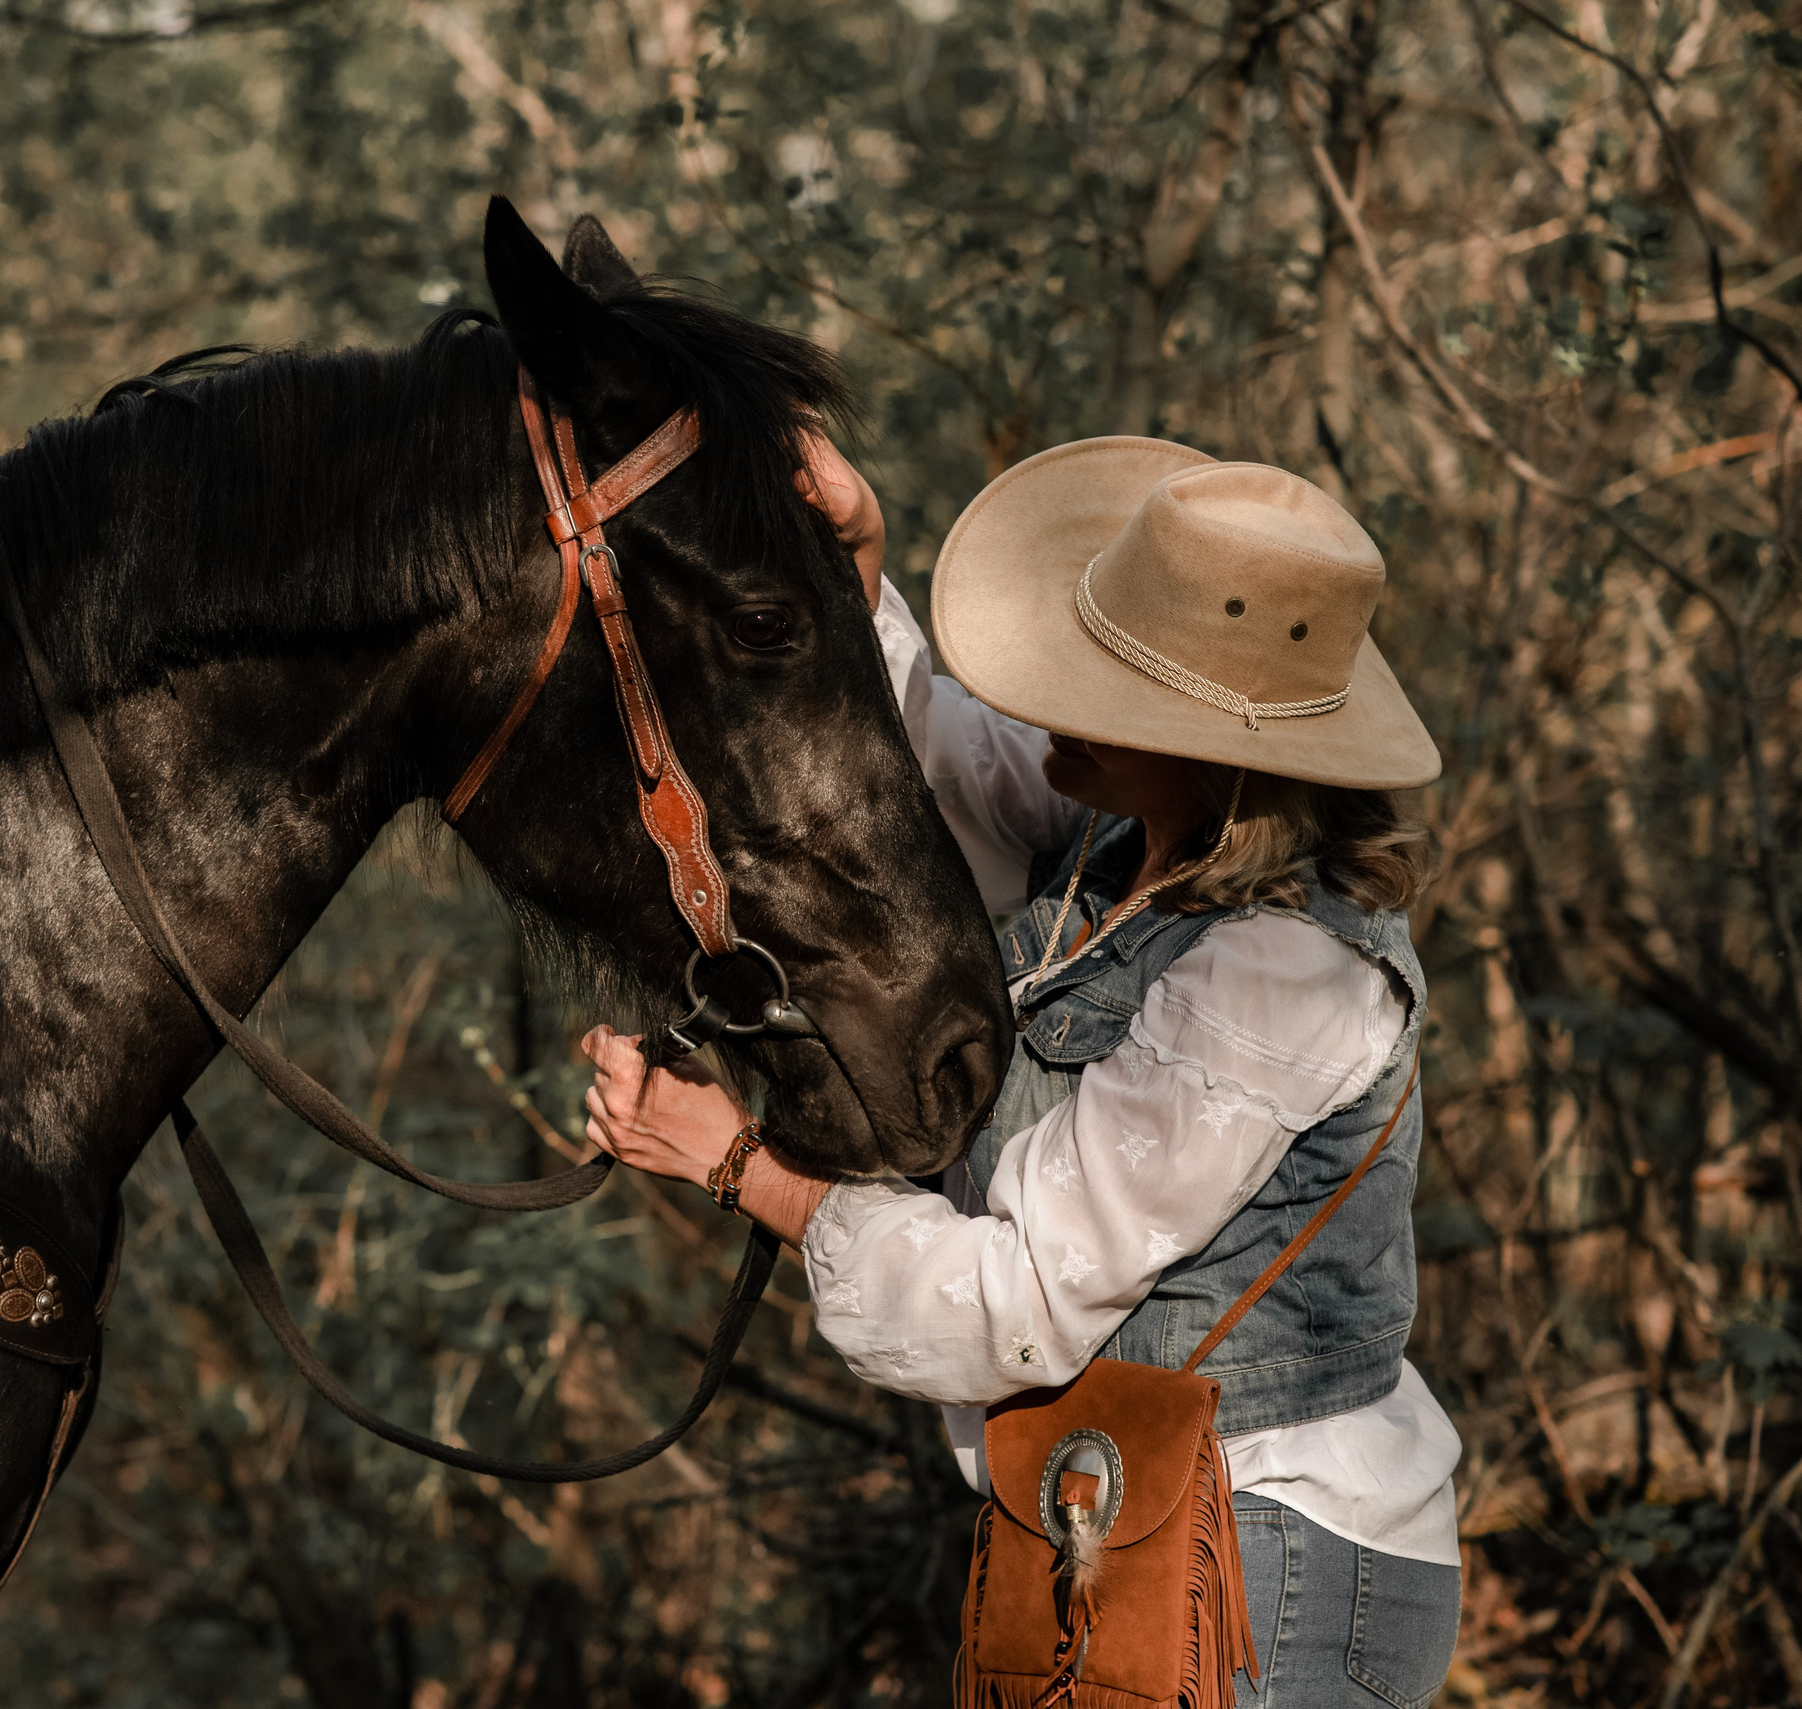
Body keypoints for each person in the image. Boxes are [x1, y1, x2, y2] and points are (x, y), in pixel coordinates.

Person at [581, 435, 1462, 1708]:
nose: (1052, 701)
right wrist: (852, 567)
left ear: (1216, 749)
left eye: (1105, 690)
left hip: (1267, 1558)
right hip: (1145, 1525)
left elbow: (1017, 1298)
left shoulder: (1280, 970)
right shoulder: (1126, 839)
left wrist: (739, 1163)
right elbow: (934, 769)